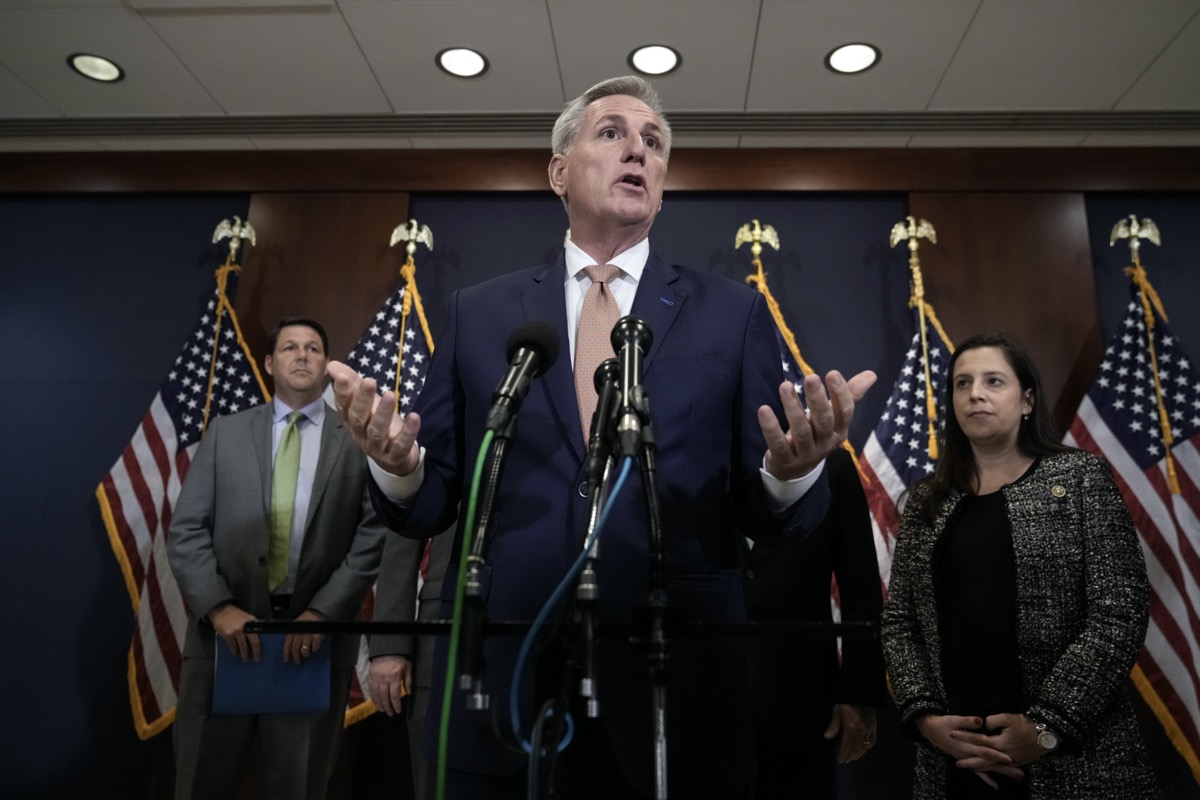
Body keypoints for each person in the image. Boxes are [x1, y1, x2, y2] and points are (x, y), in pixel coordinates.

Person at [328, 75, 875, 799]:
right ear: (559, 171)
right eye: (612, 133)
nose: (639, 151)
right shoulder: (479, 312)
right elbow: (431, 502)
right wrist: (398, 467)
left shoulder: (731, 313)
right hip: (505, 682)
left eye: (653, 142)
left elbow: (762, 513)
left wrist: (792, 474)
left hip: (672, 687)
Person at [880, 332, 1160, 799]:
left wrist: (1047, 726)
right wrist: (925, 718)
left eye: (993, 381)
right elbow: (900, 621)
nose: (976, 395)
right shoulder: (928, 500)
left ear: (1027, 399)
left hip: (1071, 755)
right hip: (954, 756)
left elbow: (1120, 611)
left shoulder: (1080, 478)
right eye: (962, 384)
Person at [167, 317, 387, 800]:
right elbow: (185, 532)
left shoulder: (355, 438)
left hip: (311, 645)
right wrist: (219, 608)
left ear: (327, 366)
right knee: (201, 779)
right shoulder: (224, 433)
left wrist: (323, 614)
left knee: (301, 785)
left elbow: (374, 534)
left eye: (313, 347)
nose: (302, 355)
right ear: (270, 363)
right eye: (290, 347)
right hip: (223, 639)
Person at [741, 445, 889, 798]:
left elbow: (861, 588)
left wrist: (858, 693)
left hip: (802, 706)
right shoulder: (688, 461)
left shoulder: (830, 462)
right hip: (704, 702)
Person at [367, 530, 452, 800]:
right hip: (442, 628)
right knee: (435, 782)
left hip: (547, 626)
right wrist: (390, 644)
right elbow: (403, 532)